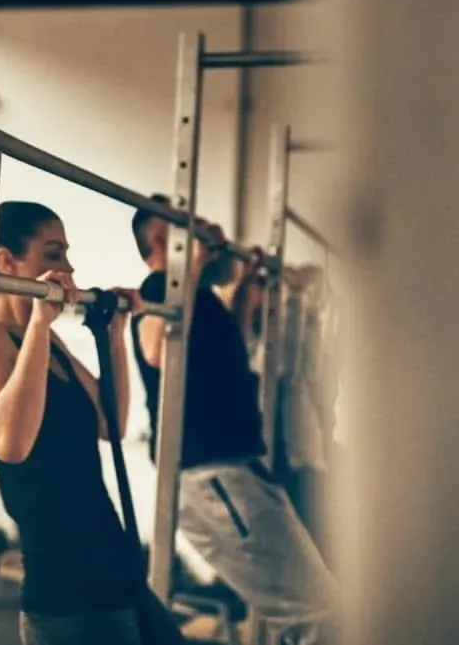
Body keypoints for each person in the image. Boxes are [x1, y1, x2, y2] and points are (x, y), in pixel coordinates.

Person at [130, 196, 338, 645]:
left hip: (237, 469)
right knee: (316, 612)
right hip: (211, 476)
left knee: (315, 606)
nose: (209, 236)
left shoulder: (199, 295)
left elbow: (234, 350)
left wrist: (243, 286)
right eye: (195, 230)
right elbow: (153, 349)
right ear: (164, 241)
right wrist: (195, 266)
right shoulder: (157, 288)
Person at [0, 202, 150, 645]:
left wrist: (114, 334)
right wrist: (39, 321)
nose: (69, 267)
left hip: (114, 571)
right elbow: (12, 443)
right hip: (64, 588)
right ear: (5, 261)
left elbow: (109, 422)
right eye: (53, 254)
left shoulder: (46, 340)